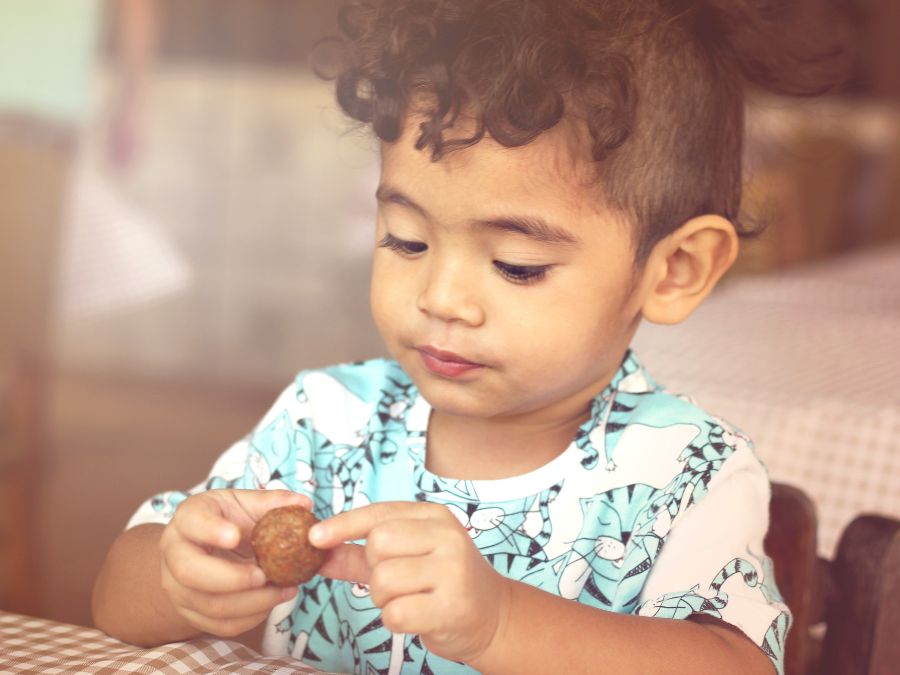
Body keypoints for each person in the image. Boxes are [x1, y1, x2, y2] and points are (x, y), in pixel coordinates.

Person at [92, 1, 844, 673]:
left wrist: (502, 623)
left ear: (674, 269)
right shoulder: (323, 422)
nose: (440, 298)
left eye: (516, 266)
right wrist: (176, 577)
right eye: (407, 241)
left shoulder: (684, 470)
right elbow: (114, 601)